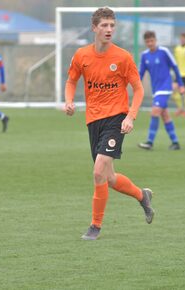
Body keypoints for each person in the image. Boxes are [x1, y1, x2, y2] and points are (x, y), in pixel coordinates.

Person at [64, 7, 155, 240]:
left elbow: (138, 88)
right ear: (94, 28)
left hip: (116, 118)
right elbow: (71, 81)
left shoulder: (123, 57)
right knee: (109, 177)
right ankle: (141, 196)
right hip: (93, 120)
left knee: (97, 171)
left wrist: (130, 116)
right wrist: (69, 101)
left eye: (112, 25)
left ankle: (95, 226)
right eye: (104, 25)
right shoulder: (82, 56)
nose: (109, 30)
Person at [138, 31, 185, 151]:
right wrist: (136, 85)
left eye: (152, 41)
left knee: (155, 112)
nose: (150, 43)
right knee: (165, 115)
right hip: (156, 89)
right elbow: (141, 73)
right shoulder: (144, 55)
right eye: (147, 41)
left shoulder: (164, 52)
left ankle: (149, 142)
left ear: (155, 40)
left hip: (165, 87)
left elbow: (175, 66)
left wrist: (180, 84)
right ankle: (175, 142)